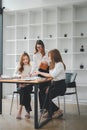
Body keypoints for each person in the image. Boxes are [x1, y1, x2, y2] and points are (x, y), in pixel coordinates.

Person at [34, 49, 66, 119]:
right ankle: (50, 110)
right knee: (41, 92)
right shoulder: (53, 65)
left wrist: (40, 73)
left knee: (47, 94)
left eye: (49, 56)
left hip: (60, 86)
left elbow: (52, 75)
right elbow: (50, 75)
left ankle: (56, 110)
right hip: (54, 84)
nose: (49, 58)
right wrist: (40, 73)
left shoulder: (59, 64)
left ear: (54, 56)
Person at [31, 40, 49, 112]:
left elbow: (50, 63)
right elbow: (34, 65)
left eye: (40, 47)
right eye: (37, 47)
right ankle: (42, 107)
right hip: (40, 72)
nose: (39, 49)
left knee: (44, 90)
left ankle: (47, 107)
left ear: (43, 46)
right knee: (40, 90)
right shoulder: (35, 55)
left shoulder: (47, 52)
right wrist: (31, 73)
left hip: (47, 71)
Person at [14, 52, 33, 119]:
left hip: (28, 85)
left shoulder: (30, 66)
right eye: (23, 59)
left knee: (25, 90)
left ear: (28, 59)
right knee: (24, 92)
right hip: (20, 84)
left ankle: (20, 110)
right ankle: (28, 111)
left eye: (26, 59)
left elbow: (32, 76)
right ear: (21, 60)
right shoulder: (19, 66)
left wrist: (31, 75)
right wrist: (20, 75)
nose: (25, 61)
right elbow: (14, 75)